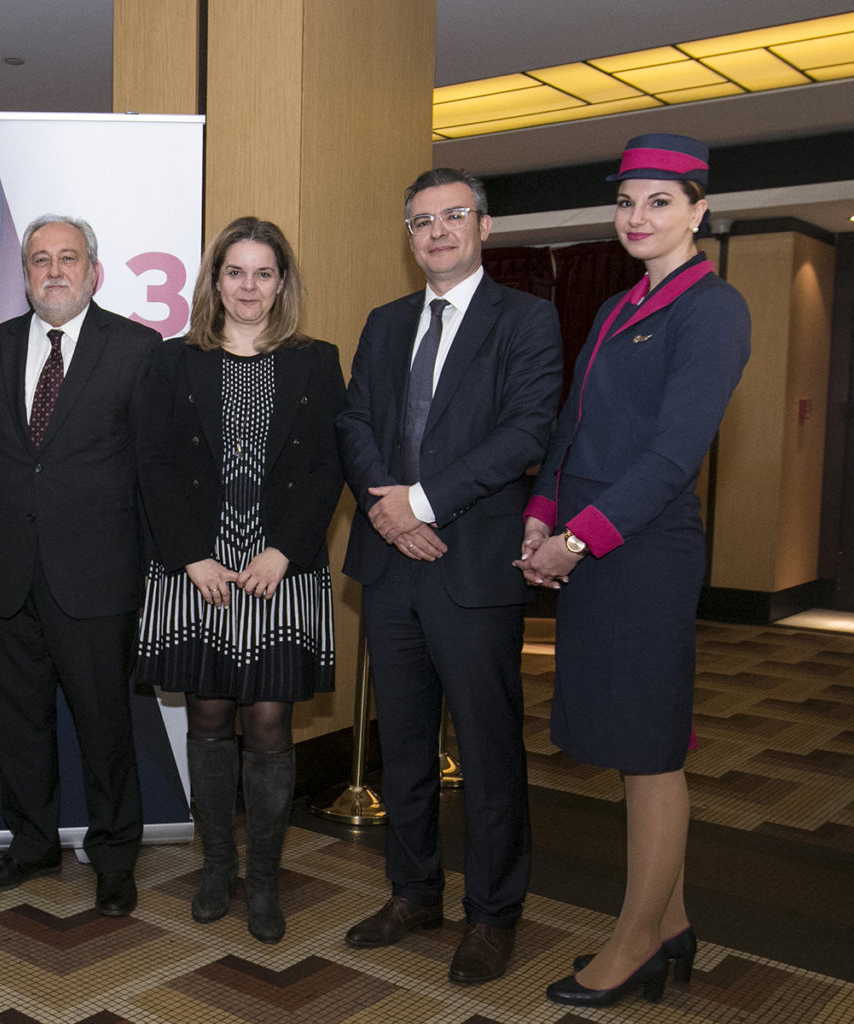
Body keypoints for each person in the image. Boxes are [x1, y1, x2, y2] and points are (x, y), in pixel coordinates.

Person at [516, 134, 750, 1009]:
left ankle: (636, 941)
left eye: (659, 201)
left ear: (698, 211)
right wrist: (542, 511)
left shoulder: (713, 309)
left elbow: (672, 456)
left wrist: (575, 540)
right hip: (592, 545)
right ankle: (673, 920)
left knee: (650, 751)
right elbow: (572, 427)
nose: (638, 217)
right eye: (626, 202)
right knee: (626, 744)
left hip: (644, 552)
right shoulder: (620, 306)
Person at [337, 168, 562, 983]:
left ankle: (493, 914)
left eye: (453, 215)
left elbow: (526, 431)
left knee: (489, 751)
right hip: (390, 565)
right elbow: (355, 423)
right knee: (402, 748)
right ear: (410, 236)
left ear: (484, 227)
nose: (436, 231)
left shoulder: (526, 320)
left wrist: (422, 503)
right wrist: (389, 512)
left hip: (472, 566)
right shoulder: (385, 320)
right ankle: (413, 893)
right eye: (421, 220)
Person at [136, 217, 343, 943]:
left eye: (263, 273)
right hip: (200, 568)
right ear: (214, 281)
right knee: (209, 716)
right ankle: (216, 867)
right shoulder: (173, 360)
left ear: (281, 282)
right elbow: (153, 462)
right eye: (235, 272)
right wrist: (190, 555)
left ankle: (264, 880)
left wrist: (285, 549)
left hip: (278, 568)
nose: (248, 287)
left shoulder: (317, 361)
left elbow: (330, 465)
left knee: (268, 721)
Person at [0, 214, 159, 917]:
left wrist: (153, 570)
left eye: (67, 258)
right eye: (39, 259)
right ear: (24, 273)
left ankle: (115, 856)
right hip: (6, 572)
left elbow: (152, 471)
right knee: (18, 722)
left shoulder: (136, 349)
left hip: (98, 578)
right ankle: (32, 844)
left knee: (106, 728)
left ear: (93, 272)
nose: (53, 271)